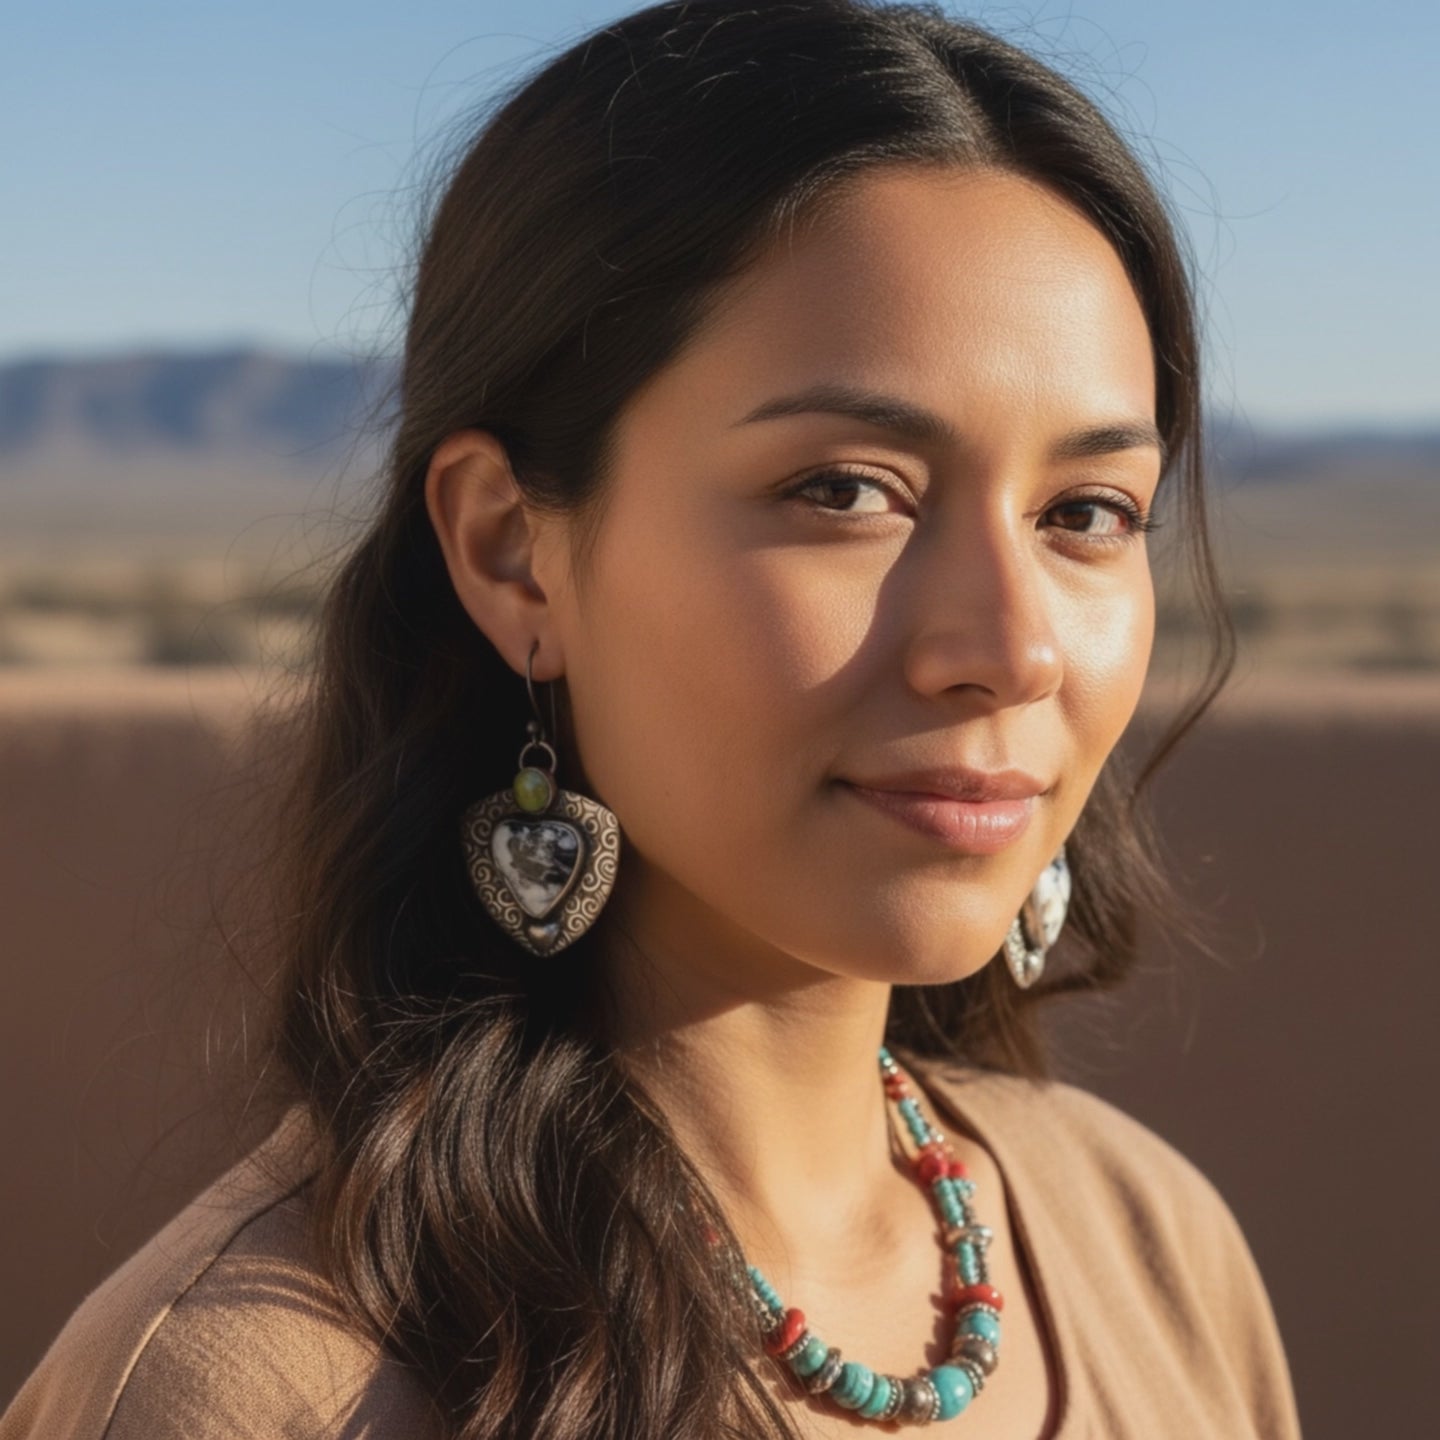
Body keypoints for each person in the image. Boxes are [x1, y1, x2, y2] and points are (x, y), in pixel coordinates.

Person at [1, 2, 1303, 1436]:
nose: (1010, 647)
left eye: (1086, 513)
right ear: (513, 550)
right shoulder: (259, 1397)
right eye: (846, 490)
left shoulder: (1151, 1242)